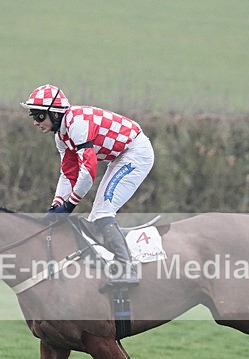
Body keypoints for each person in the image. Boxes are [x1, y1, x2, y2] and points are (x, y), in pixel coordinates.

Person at [20, 84, 154, 287]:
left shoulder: (77, 126)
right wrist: (57, 204)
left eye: (39, 116)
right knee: (95, 217)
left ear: (55, 114)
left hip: (136, 153)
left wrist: (70, 205)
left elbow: (89, 171)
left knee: (102, 213)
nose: (35, 122)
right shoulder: (61, 136)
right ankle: (113, 257)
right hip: (121, 156)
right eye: (33, 116)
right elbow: (68, 174)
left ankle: (127, 269)